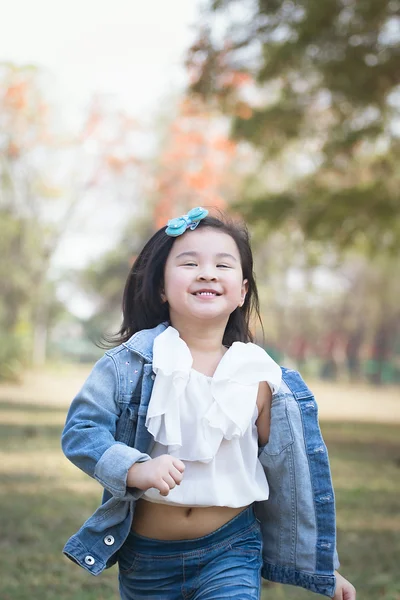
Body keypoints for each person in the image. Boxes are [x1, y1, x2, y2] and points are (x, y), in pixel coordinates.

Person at [61, 207, 356, 600]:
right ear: (162, 287)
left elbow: (291, 482)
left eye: (223, 264)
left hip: (231, 550)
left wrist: (321, 571)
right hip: (147, 559)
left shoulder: (262, 377)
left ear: (242, 291)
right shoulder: (128, 364)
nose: (207, 272)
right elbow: (81, 432)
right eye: (189, 262)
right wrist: (135, 469)